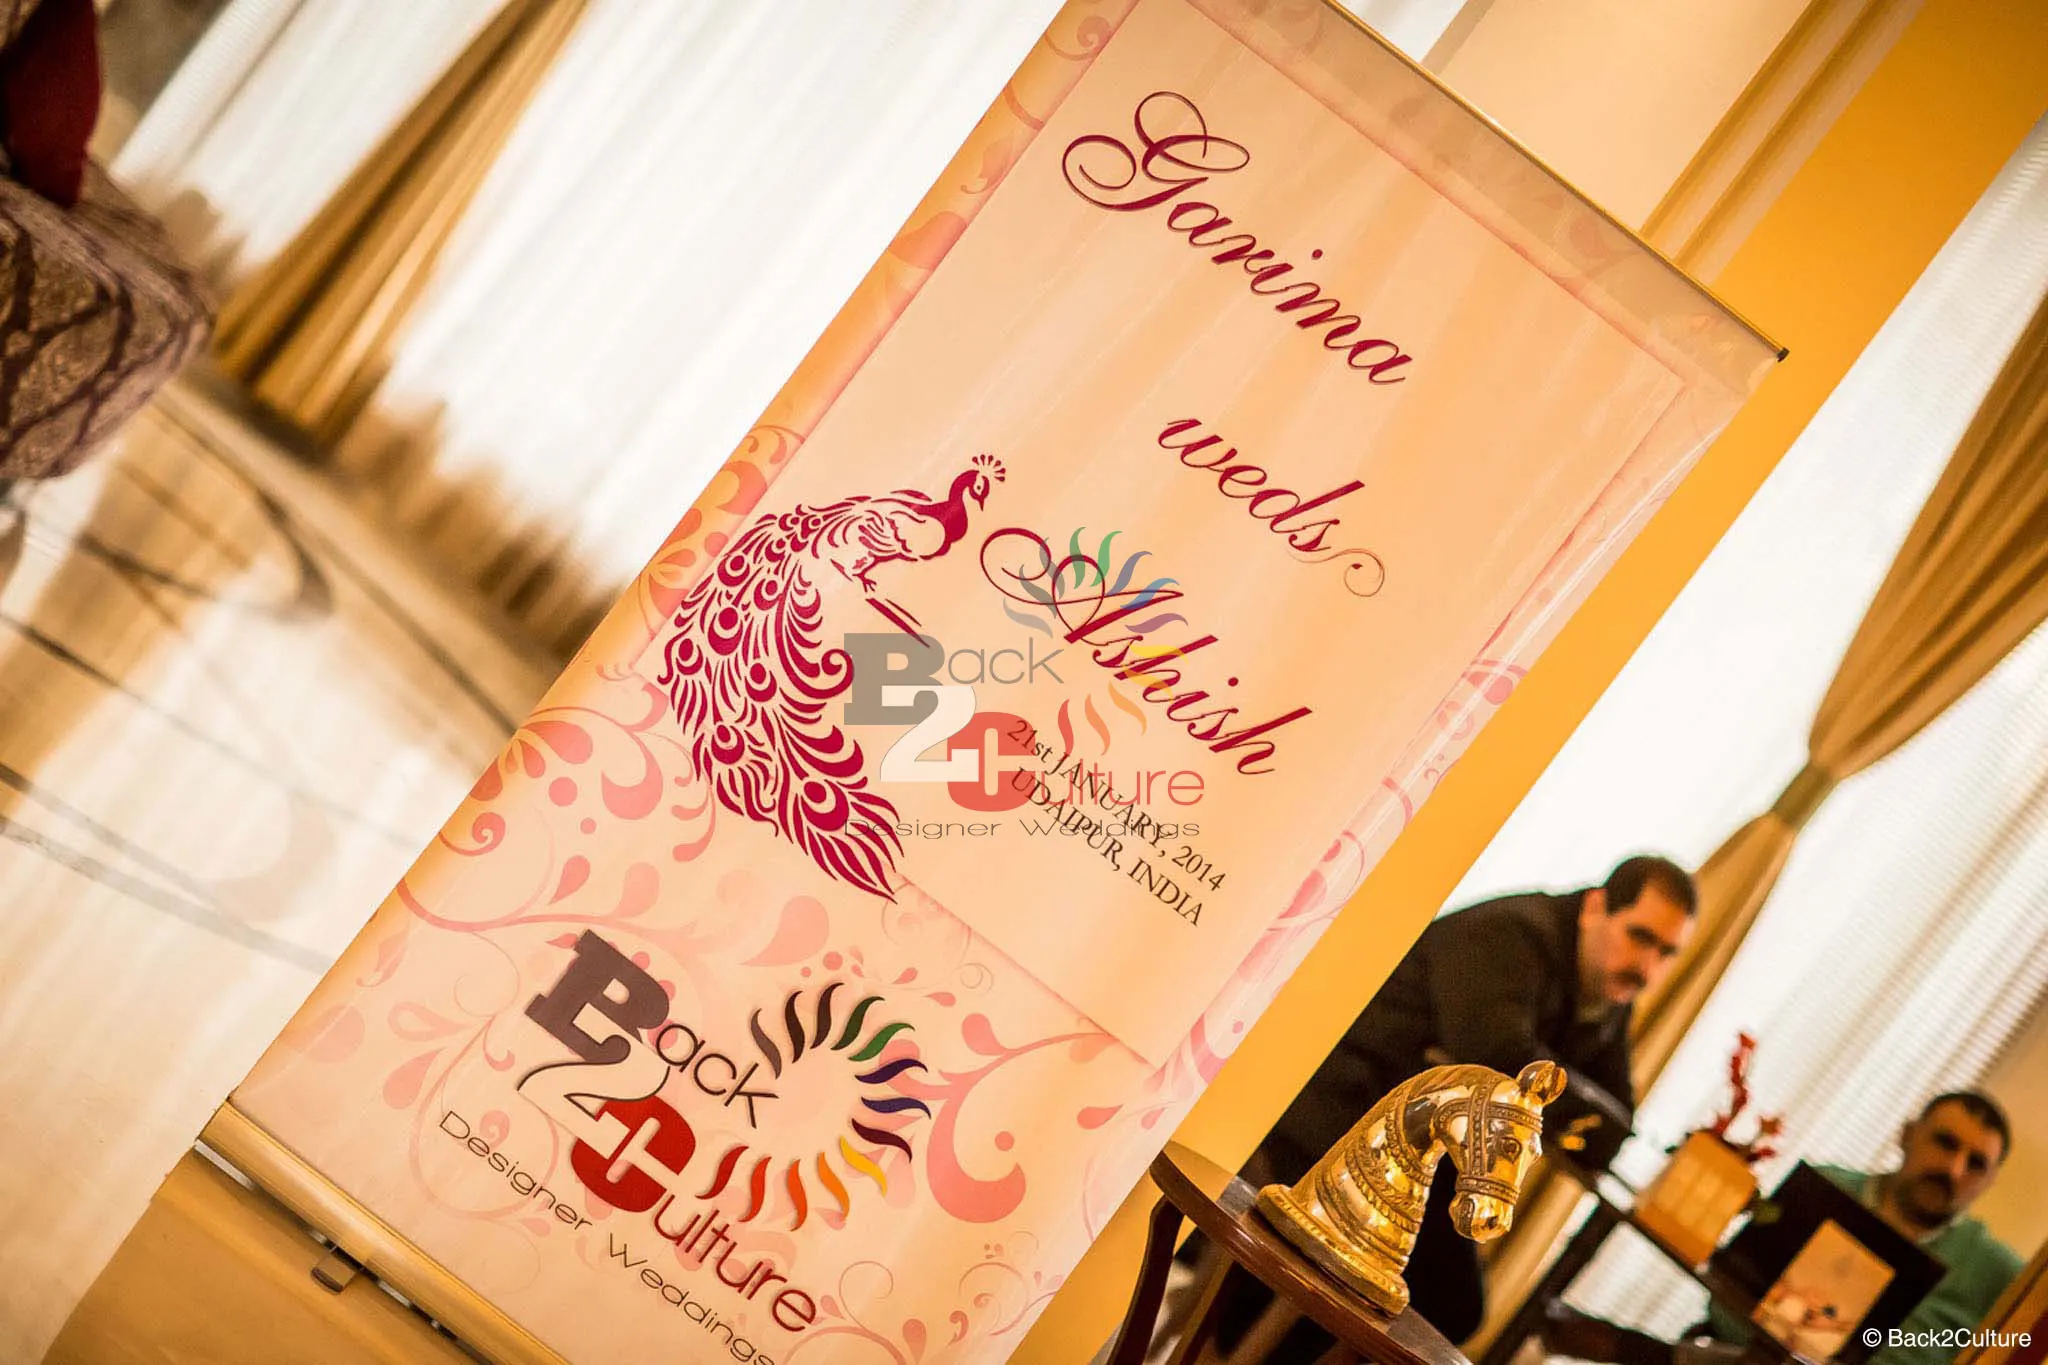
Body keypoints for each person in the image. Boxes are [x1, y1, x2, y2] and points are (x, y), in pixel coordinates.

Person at [1192, 854, 1699, 1356]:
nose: (1647, 967)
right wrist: (1568, 1103)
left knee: (1455, 1308)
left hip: (1413, 1161)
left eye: (1666, 953)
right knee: (1413, 1293)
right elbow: (1500, 1062)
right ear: (1595, 907)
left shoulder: (1608, 993)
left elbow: (1614, 1126)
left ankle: (1256, 1349)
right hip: (1337, 1117)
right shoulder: (1511, 933)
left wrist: (1556, 1095)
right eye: (1640, 937)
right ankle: (1234, 1347)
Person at [1544, 1091, 2022, 1365]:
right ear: (1907, 1135)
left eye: (1975, 1163)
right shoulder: (1826, 1191)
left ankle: (1626, 1348)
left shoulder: (2001, 1274)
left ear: (1990, 1182)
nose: (1953, 1169)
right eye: (1944, 1143)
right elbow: (1729, 1303)